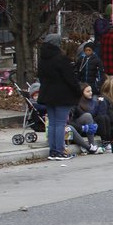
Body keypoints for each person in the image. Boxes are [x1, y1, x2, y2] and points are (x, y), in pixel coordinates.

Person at [37, 33, 81, 161]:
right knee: (61, 123)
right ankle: (60, 151)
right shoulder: (61, 59)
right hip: (62, 96)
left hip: (47, 94)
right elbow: (70, 79)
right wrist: (78, 91)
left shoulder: (42, 59)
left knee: (52, 123)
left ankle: (53, 150)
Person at [68, 83, 104, 154]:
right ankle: (89, 148)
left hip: (76, 128)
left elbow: (83, 114)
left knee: (87, 115)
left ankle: (92, 144)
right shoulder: (64, 105)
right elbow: (66, 122)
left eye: (91, 91)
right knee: (69, 127)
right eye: (88, 91)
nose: (91, 93)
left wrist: (94, 124)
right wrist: (82, 128)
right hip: (66, 130)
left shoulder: (75, 102)